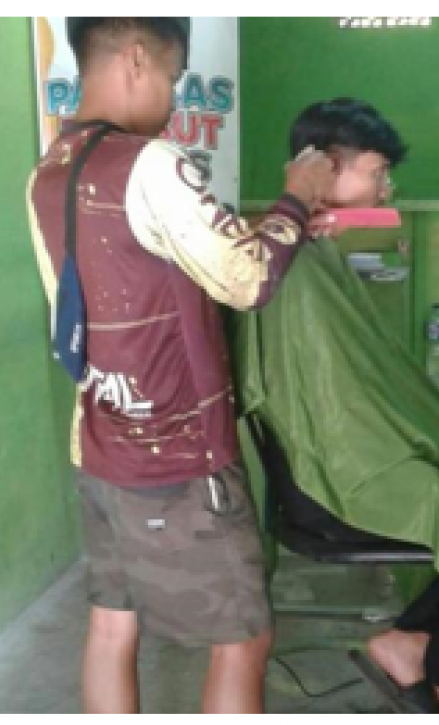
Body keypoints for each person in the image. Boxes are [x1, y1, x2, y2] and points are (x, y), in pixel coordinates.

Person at [25, 18, 334, 713]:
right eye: (170, 78)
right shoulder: (151, 163)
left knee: (112, 625)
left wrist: (270, 229)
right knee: (244, 637)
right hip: (178, 457)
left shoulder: (49, 171)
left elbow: (115, 281)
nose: (171, 100)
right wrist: (295, 198)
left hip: (99, 443)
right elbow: (247, 279)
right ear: (137, 59)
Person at [236, 97, 439, 714]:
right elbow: (334, 416)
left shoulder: (303, 250)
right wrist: (422, 450)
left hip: (339, 467)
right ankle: (434, 660)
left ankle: (413, 643)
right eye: (376, 172)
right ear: (323, 165)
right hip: (340, 484)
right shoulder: (296, 269)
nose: (385, 187)